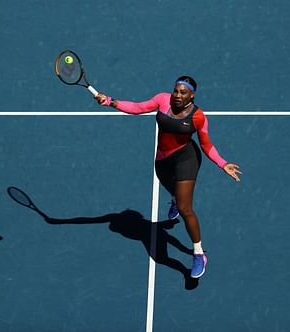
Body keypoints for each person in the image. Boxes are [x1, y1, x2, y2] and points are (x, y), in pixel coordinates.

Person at [95, 76, 242, 278]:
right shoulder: (163, 100)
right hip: (162, 159)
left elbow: (206, 145)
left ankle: (198, 253)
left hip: (185, 159)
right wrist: (111, 101)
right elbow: (138, 107)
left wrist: (222, 163)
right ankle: (175, 198)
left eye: (183, 92)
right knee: (173, 191)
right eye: (176, 91)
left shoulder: (198, 117)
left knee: (185, 208)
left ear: (192, 95)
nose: (178, 95)